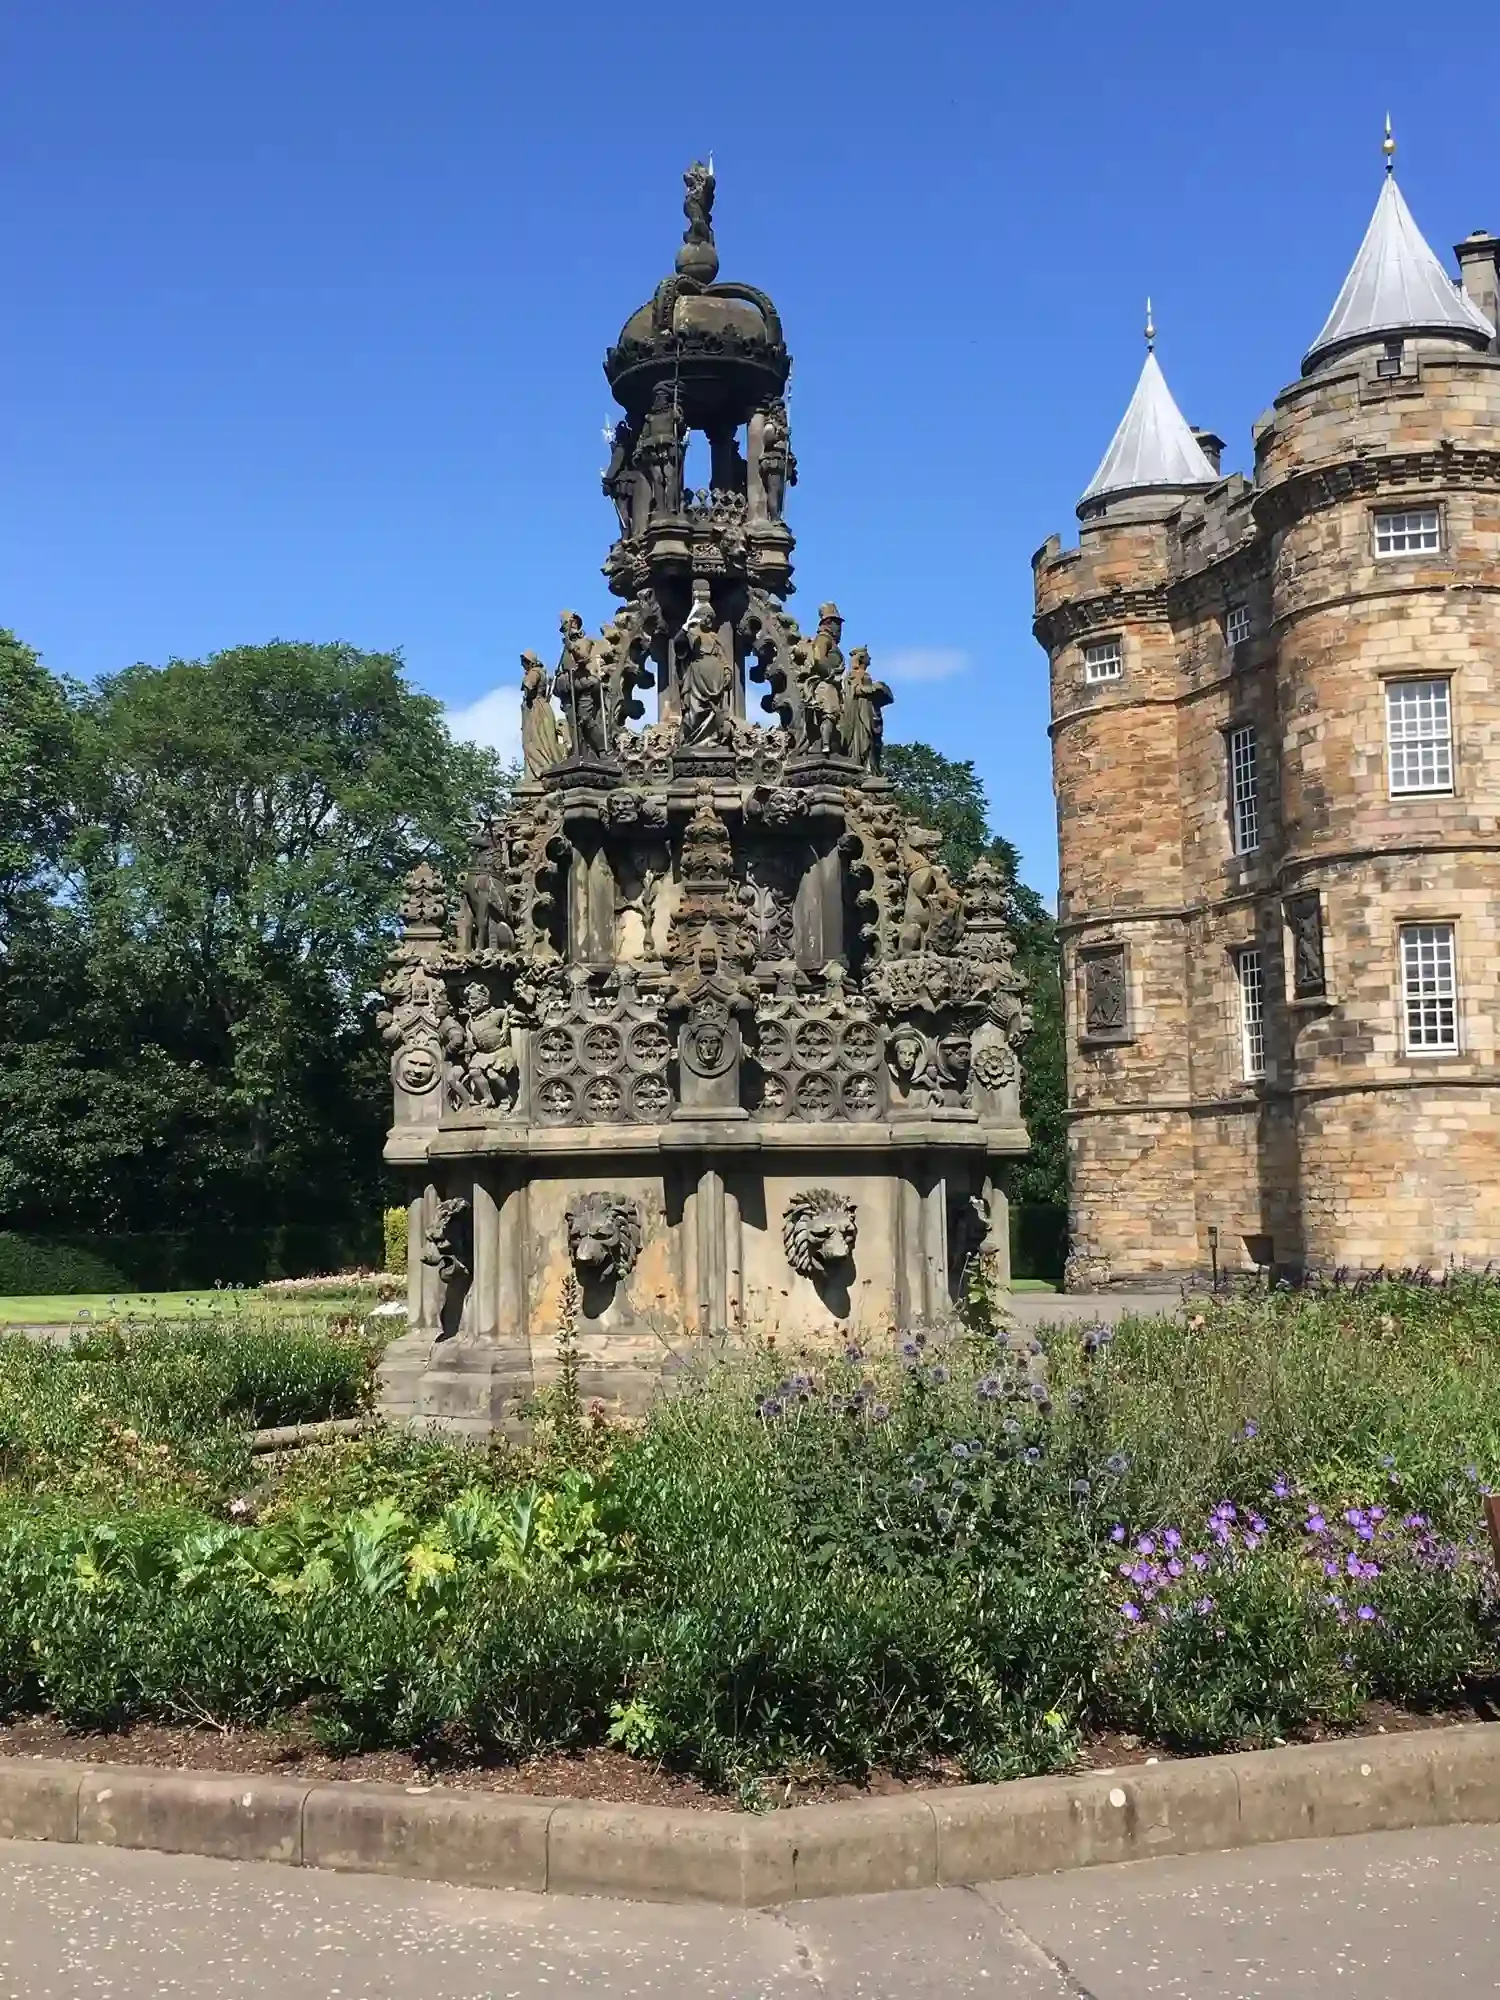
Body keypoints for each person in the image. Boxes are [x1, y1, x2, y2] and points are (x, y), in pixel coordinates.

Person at [840, 646, 893, 771]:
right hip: (860, 709)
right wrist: (875, 688)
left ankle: (872, 768)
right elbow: (856, 690)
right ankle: (861, 766)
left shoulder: (864, 674)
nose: (870, 658)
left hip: (870, 707)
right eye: (868, 656)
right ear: (862, 658)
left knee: (874, 739)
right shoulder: (855, 674)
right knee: (863, 736)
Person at [519, 651, 562, 777]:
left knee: (531, 743)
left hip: (536, 710)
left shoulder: (534, 673)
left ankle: (543, 768)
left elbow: (529, 686)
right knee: (545, 741)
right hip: (543, 707)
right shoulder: (541, 672)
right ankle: (548, 766)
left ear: (529, 662)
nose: (522, 666)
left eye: (524, 662)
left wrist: (526, 679)